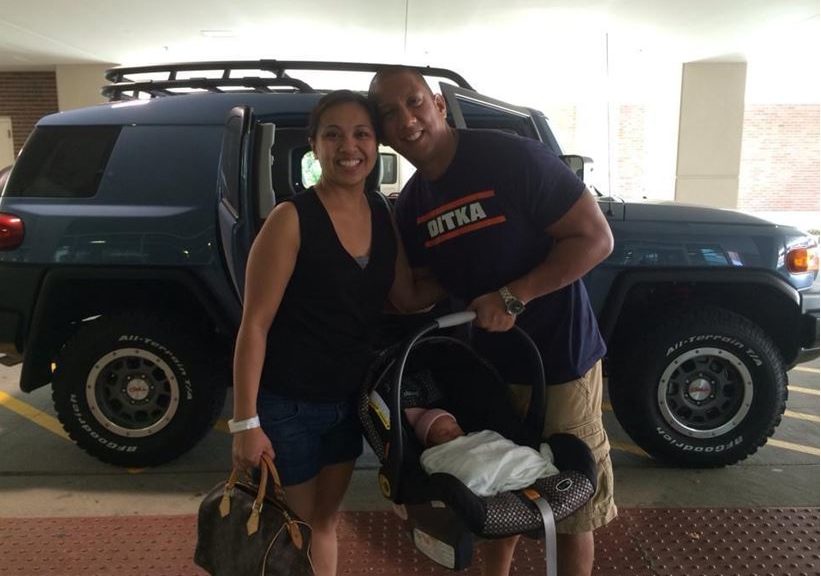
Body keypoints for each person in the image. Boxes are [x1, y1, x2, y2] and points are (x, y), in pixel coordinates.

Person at [369, 67, 616, 576]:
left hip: (559, 362)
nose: (406, 120)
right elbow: (415, 294)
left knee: (569, 507)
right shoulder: (414, 202)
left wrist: (513, 296)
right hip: (486, 372)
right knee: (493, 492)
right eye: (389, 114)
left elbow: (595, 238)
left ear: (438, 103)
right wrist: (376, 217)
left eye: (414, 103)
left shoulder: (508, 157)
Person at [230, 90, 442, 576]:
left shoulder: (382, 215)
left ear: (376, 145)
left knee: (324, 520)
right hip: (289, 405)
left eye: (362, 134)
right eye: (334, 135)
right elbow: (254, 324)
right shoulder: (291, 219)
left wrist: (479, 276)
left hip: (350, 402)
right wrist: (246, 424)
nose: (350, 147)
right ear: (314, 146)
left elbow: (407, 296)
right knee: (297, 527)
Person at [405, 407, 560, 497]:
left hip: (503, 458)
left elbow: (494, 444)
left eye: (454, 427)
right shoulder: (435, 454)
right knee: (476, 471)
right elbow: (434, 466)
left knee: (520, 454)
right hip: (473, 468)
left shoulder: (477, 436)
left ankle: (528, 467)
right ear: (431, 444)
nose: (454, 434)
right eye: (444, 433)